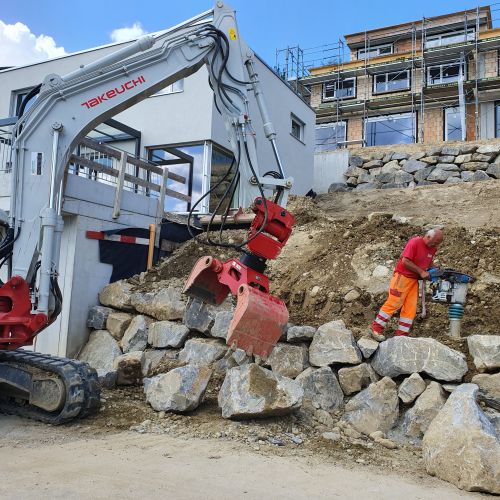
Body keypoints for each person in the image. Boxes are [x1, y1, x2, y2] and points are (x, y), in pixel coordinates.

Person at [369, 228, 443, 341]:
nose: (435, 245)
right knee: (394, 302)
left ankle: (401, 336)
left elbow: (427, 261)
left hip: (413, 281)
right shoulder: (415, 242)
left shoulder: (432, 249)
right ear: (428, 236)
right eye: (435, 242)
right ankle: (375, 328)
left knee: (410, 308)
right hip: (402, 277)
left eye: (438, 243)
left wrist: (433, 268)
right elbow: (405, 261)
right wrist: (422, 272)